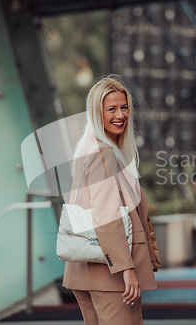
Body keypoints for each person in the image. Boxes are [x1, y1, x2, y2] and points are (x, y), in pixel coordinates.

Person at [62, 75, 160, 325]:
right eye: (111, 109)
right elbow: (107, 216)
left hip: (84, 270)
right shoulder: (104, 154)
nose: (120, 115)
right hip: (111, 275)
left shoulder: (87, 150)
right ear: (96, 113)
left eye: (124, 107)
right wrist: (127, 269)